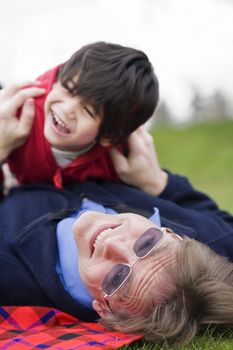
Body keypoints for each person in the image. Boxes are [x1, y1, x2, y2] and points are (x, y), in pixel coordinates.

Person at [1, 122, 233, 347]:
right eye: (147, 243)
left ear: (102, 309)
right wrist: (157, 182)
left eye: (116, 278)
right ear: (173, 234)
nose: (113, 243)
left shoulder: (11, 278)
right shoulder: (216, 238)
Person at [0, 41, 159, 193]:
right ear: (57, 81)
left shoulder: (120, 159)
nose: (67, 109)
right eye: (68, 89)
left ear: (109, 137)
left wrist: (153, 183)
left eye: (88, 111)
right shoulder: (17, 114)